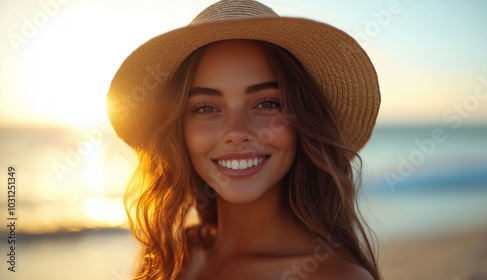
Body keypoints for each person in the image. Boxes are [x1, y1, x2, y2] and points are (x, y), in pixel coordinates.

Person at [107, 0, 381, 279]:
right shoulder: (176, 253)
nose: (236, 132)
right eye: (206, 108)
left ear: (304, 121)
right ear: (180, 131)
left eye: (267, 103)